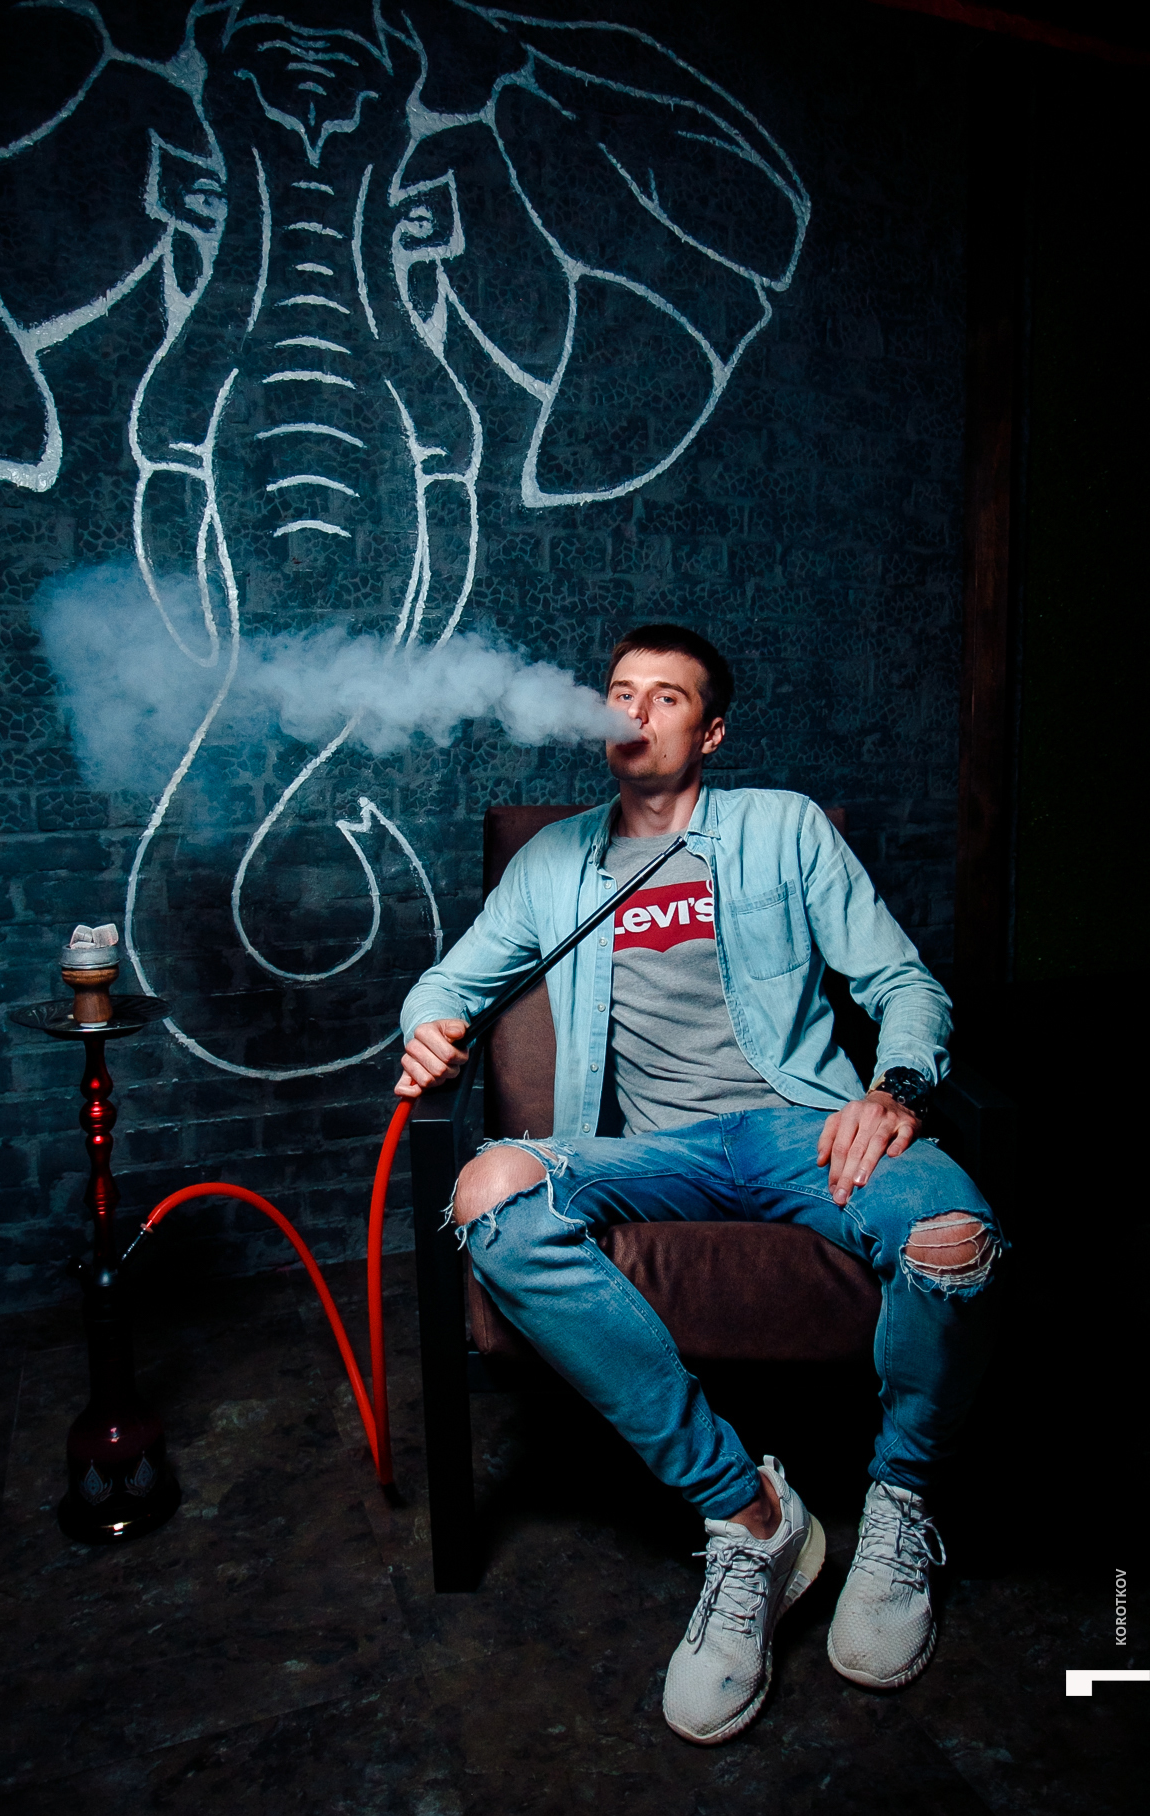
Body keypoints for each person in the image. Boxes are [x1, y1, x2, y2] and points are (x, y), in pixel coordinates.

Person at [396, 622, 1001, 1745]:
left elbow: (901, 981)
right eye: (618, 691)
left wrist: (894, 1089)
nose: (632, 711)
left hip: (798, 1131)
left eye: (664, 697)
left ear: (710, 732)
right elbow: (448, 982)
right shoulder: (553, 863)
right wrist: (428, 1025)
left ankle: (898, 1506)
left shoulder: (781, 827)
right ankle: (751, 1516)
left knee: (952, 1235)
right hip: (647, 1153)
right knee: (487, 1196)